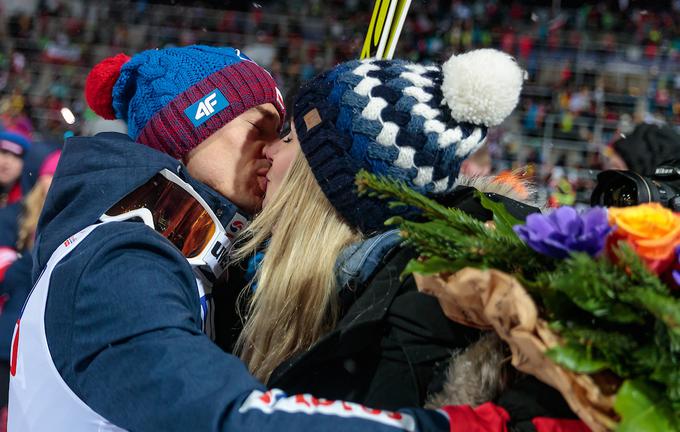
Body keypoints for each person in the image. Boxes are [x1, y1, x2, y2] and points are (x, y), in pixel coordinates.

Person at [7, 45, 507, 432]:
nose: (272, 150)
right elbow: (222, 416)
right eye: (262, 127)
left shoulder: (186, 255)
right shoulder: (118, 259)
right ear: (193, 131)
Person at [233, 49, 586, 431]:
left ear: (324, 181)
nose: (268, 149)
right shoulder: (356, 286)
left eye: (288, 138)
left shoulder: (399, 331)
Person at [0, 150, 61, 428]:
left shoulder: (70, 221)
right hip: (9, 337)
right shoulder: (14, 217)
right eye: (53, 175)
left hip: (41, 345)